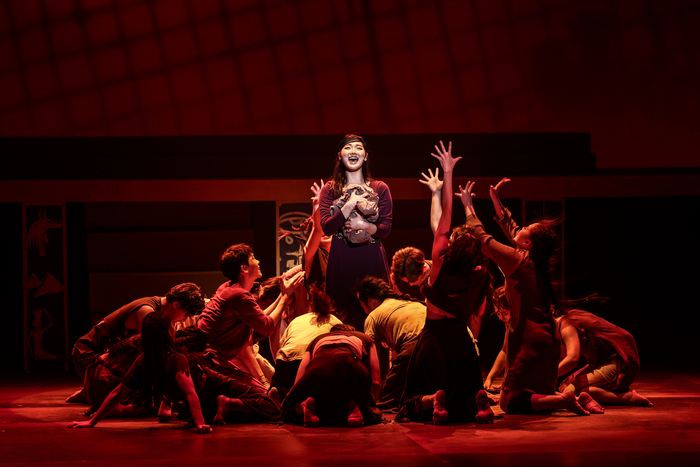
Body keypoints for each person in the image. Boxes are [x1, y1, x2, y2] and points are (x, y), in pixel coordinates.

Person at [462, 176, 595, 416]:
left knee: (508, 402)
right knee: (535, 394)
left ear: (528, 243)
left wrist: (468, 206)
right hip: (548, 339)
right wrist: (496, 200)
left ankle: (563, 401)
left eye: (525, 228)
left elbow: (482, 239)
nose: (520, 228)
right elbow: (514, 230)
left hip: (528, 341)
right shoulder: (536, 262)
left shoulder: (518, 260)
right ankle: (566, 399)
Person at [396, 141, 493, 425]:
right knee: (466, 390)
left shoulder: (439, 265)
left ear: (453, 247)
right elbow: (478, 314)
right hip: (462, 342)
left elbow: (444, 219)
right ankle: (478, 404)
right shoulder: (480, 275)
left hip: (434, 339)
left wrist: (447, 174)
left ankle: (432, 401)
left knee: (413, 398)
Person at [67, 312, 281, 434]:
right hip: (213, 387)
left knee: (242, 414)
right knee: (271, 407)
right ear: (167, 332)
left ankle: (229, 405)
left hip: (200, 403)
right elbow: (190, 392)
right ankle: (230, 402)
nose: (175, 329)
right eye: (172, 326)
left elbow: (118, 392)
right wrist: (200, 424)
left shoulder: (145, 359)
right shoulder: (176, 358)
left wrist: (92, 421)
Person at [67, 283, 205, 403]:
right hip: (87, 356)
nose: (184, 319)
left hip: (100, 359)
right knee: (147, 365)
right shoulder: (146, 311)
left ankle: (88, 391)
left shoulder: (160, 311)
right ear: (176, 305)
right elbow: (151, 352)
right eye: (186, 315)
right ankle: (91, 389)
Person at [197, 244, 304, 386]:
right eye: (253, 258)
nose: (258, 262)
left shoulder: (230, 288)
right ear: (244, 268)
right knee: (261, 393)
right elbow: (266, 326)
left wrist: (283, 294)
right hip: (212, 360)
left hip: (216, 357)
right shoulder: (238, 295)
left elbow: (261, 319)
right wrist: (285, 297)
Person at [319, 134, 392, 330]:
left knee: (378, 316)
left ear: (366, 156)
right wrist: (349, 204)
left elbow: (385, 228)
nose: (353, 151)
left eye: (358, 148)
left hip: (371, 257)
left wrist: (364, 226)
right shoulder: (329, 190)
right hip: (342, 256)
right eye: (348, 148)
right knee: (342, 317)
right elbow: (327, 227)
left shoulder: (380, 188)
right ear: (340, 156)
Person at [281, 324, 382, 427]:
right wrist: (370, 406)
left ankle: (304, 406)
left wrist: (296, 398)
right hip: (350, 364)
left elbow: (299, 379)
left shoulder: (317, 339)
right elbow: (376, 381)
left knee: (292, 408)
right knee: (367, 409)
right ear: (352, 331)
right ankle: (355, 409)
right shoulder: (365, 338)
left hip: (318, 367)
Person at [556, 302, 652, 407]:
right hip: (610, 360)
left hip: (619, 361)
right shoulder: (568, 318)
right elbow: (563, 358)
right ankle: (613, 392)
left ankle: (625, 397)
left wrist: (547, 376)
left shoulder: (567, 325)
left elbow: (573, 358)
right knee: (565, 387)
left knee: (569, 392)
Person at [356, 276, 425, 410]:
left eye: (362, 306)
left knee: (385, 401)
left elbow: (370, 359)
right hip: (443, 340)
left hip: (416, 346)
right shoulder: (407, 302)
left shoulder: (373, 316)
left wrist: (374, 388)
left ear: (369, 300)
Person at [270, 284, 343, 401]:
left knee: (284, 394)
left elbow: (281, 347)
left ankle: (278, 390)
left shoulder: (297, 320)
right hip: (310, 365)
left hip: (284, 363)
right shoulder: (335, 321)